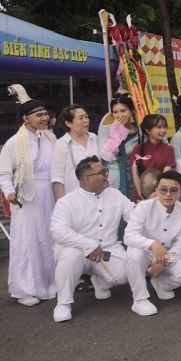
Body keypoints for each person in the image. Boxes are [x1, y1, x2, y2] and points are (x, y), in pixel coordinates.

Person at [49, 157, 134, 322]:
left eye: (105, 171)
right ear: (87, 179)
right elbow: (59, 231)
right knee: (70, 255)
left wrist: (153, 205)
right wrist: (89, 245)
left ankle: (100, 282)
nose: (107, 175)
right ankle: (63, 303)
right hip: (77, 251)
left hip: (107, 249)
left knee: (125, 274)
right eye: (102, 172)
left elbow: (134, 215)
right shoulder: (67, 202)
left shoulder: (115, 195)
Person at [0, 85, 57, 306]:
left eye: (45, 114)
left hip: (50, 195)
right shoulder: (15, 143)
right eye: (39, 115)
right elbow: (4, 173)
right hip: (26, 198)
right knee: (28, 241)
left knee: (49, 239)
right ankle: (25, 289)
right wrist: (10, 192)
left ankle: (51, 282)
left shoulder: (50, 138)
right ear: (26, 119)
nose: (45, 118)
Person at [124, 170, 181, 316]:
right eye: (163, 189)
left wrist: (163, 260)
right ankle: (139, 299)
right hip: (145, 252)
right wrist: (152, 244)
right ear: (157, 190)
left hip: (169, 254)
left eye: (173, 190)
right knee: (134, 254)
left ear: (180, 191)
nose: (168, 194)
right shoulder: (144, 207)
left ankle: (161, 284)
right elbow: (129, 236)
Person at [97, 93, 141, 199]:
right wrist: (117, 132)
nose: (119, 115)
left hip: (135, 176)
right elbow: (106, 155)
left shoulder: (139, 131)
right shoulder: (105, 130)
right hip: (114, 177)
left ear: (132, 111)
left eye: (123, 111)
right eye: (115, 112)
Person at [51, 104, 99, 199]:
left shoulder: (94, 138)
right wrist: (61, 203)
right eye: (81, 118)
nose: (86, 120)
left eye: (86, 117)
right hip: (75, 197)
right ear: (68, 123)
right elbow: (57, 177)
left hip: (97, 195)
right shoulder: (62, 143)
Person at [129, 114, 175, 201]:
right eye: (159, 127)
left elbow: (166, 174)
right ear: (148, 130)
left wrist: (157, 192)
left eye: (165, 127)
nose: (163, 130)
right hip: (139, 195)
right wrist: (141, 194)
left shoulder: (168, 149)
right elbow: (135, 173)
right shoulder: (138, 148)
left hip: (159, 194)